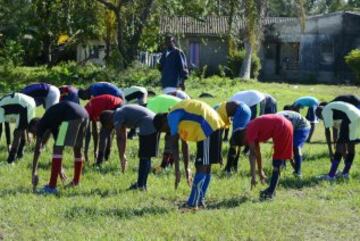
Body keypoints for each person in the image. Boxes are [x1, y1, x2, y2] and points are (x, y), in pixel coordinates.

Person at [153, 99, 225, 209]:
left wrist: (177, 170)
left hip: (208, 126)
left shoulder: (171, 117)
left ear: (163, 122)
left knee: (202, 166)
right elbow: (184, 144)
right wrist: (186, 168)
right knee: (206, 165)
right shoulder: (178, 119)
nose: (166, 132)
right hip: (213, 123)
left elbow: (174, 145)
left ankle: (192, 204)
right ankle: (199, 200)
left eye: (163, 130)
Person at [30, 101, 89, 194]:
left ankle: (52, 186)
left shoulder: (42, 123)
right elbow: (58, 141)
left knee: (57, 147)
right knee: (77, 148)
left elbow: (38, 148)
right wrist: (60, 169)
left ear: (35, 126)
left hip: (70, 116)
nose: (36, 135)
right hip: (84, 114)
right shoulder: (52, 121)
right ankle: (76, 182)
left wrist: (34, 172)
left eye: (34, 132)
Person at [231, 114, 293, 200]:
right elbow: (257, 154)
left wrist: (253, 177)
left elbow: (252, 154)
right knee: (277, 161)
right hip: (284, 124)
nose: (246, 145)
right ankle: (271, 190)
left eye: (244, 143)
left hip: (281, 126)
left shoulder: (250, 130)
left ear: (242, 136)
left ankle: (270, 192)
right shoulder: (252, 132)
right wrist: (260, 171)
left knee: (277, 161)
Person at [100, 105, 160, 191]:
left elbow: (119, 137)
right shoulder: (121, 113)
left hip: (147, 123)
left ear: (108, 120)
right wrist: (123, 155)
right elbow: (123, 136)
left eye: (109, 127)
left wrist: (121, 157)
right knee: (147, 157)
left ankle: (140, 185)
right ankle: (143, 185)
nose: (111, 128)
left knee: (144, 157)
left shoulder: (116, 116)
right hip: (154, 121)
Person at [316, 101, 360, 180]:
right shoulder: (334, 110)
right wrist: (337, 142)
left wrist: (331, 150)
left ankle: (331, 176)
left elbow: (327, 131)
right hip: (357, 116)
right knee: (350, 147)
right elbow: (335, 130)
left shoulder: (326, 111)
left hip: (349, 119)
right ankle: (345, 174)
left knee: (340, 148)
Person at [84, 94, 123, 165]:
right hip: (118, 103)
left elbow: (88, 134)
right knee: (107, 132)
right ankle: (105, 157)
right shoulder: (88, 110)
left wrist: (86, 152)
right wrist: (94, 150)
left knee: (104, 133)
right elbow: (94, 131)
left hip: (115, 105)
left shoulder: (86, 113)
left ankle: (100, 161)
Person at [147, 94, 183, 171]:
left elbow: (156, 129)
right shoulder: (153, 104)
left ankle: (165, 165)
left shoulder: (149, 109)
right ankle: (167, 165)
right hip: (175, 109)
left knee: (170, 139)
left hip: (177, 111)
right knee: (170, 138)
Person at [215, 101, 252, 174]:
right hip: (246, 109)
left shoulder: (216, 115)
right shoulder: (219, 109)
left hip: (241, 111)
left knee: (234, 140)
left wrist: (219, 156)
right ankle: (234, 166)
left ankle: (228, 168)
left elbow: (219, 136)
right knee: (240, 138)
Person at [0, 93, 36, 163]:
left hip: (24, 104)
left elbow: (0, 129)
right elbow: (6, 126)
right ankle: (20, 154)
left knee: (17, 132)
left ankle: (10, 161)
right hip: (30, 101)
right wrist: (8, 144)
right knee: (23, 127)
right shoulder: (2, 103)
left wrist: (9, 144)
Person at [277, 110, 311, 177]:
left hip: (302, 126)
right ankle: (282, 166)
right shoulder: (275, 120)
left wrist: (291, 159)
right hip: (293, 125)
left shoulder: (280, 122)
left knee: (295, 146)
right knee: (282, 145)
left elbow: (287, 142)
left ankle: (298, 171)